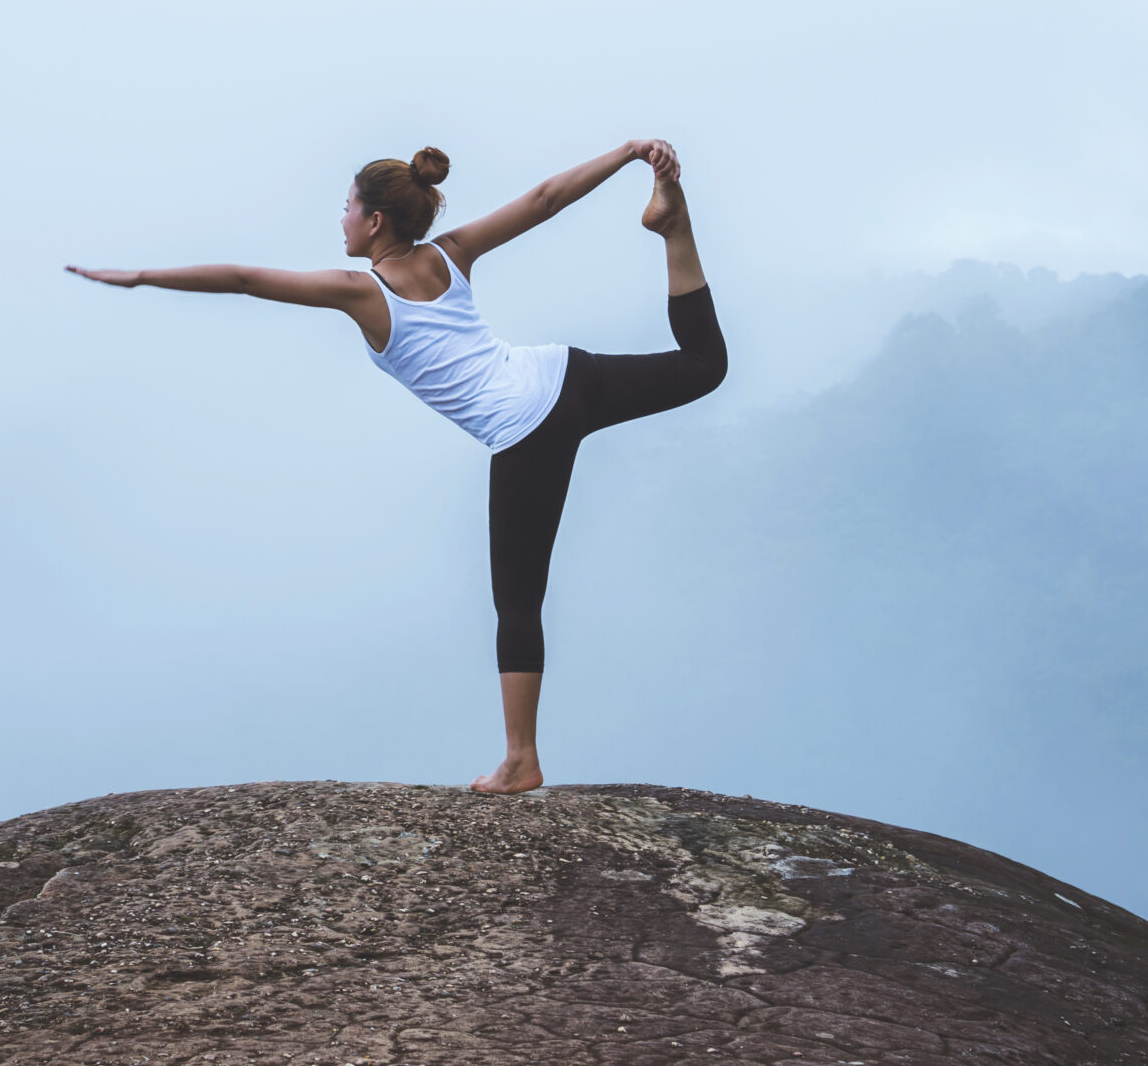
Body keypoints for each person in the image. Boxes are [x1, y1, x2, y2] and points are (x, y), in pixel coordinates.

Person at [67, 141, 726, 793]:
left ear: (375, 220)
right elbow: (545, 201)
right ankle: (674, 226)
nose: (342, 217)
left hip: (526, 429)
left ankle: (520, 760)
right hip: (564, 374)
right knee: (704, 367)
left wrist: (144, 277)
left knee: (517, 603)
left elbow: (244, 281)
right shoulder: (452, 253)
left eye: (348, 206)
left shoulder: (363, 294)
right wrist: (629, 152)